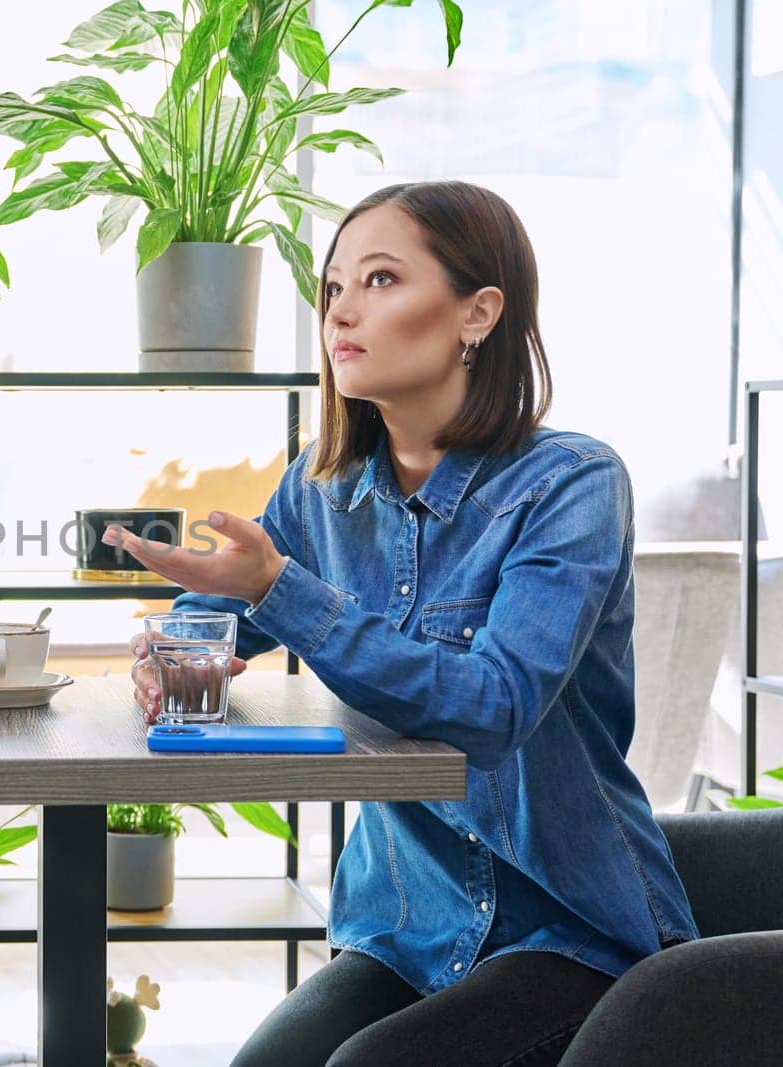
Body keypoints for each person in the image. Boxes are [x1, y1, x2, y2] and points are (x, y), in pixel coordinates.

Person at [108, 181, 697, 1067]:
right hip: (402, 925)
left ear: (478, 313)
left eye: (380, 280)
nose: (343, 309)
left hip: (569, 931)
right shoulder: (324, 485)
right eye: (335, 286)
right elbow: (228, 610)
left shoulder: (569, 485)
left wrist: (282, 590)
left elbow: (493, 708)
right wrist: (170, 645)